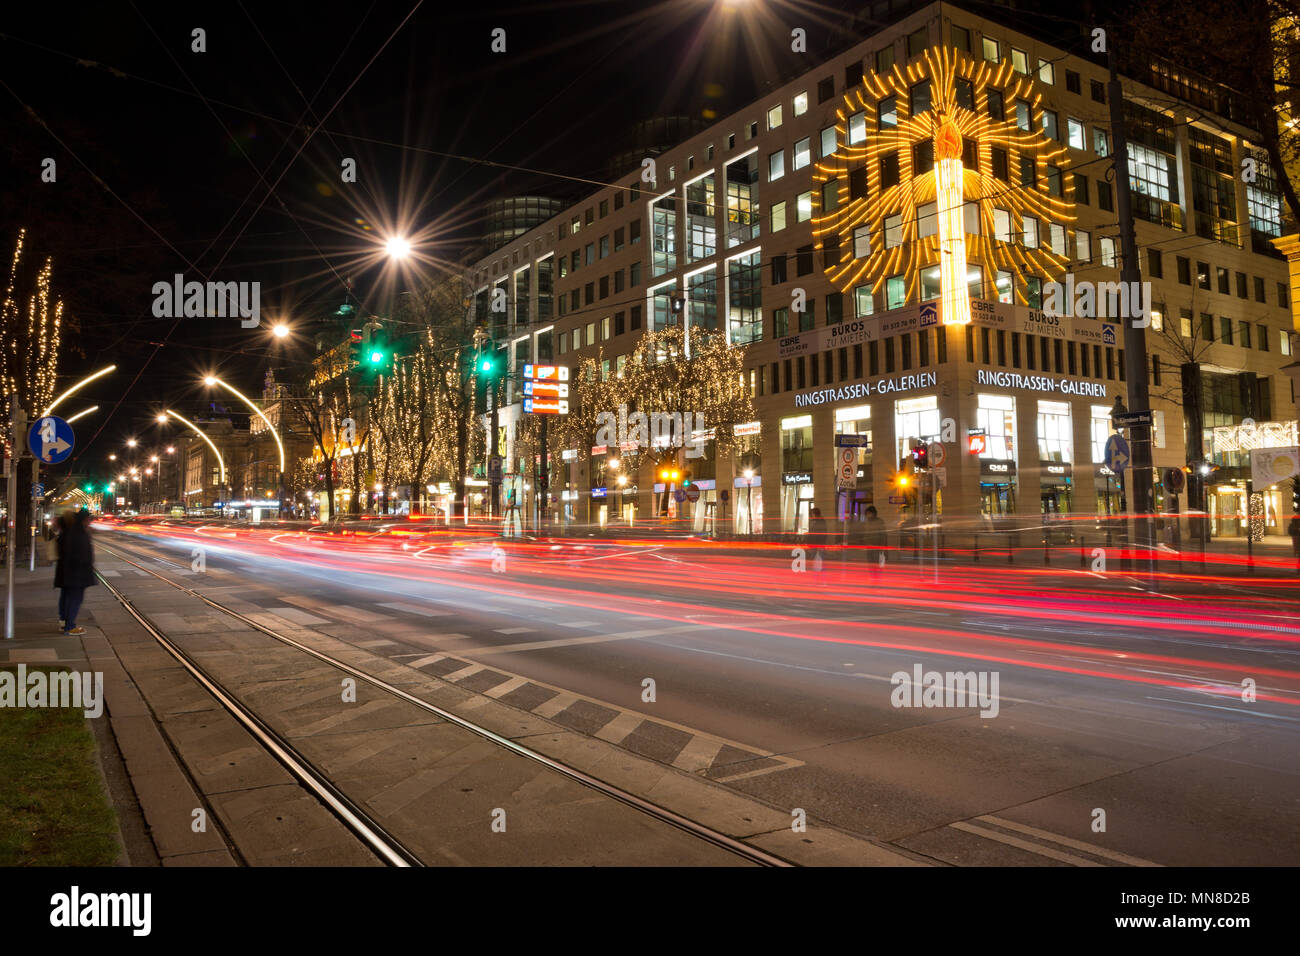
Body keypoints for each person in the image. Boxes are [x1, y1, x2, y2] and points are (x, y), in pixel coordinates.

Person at [55, 508, 96, 635]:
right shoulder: (78, 534)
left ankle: (64, 623)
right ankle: (70, 626)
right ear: (83, 520)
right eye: (88, 519)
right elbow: (82, 555)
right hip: (77, 573)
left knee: (67, 597)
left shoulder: (68, 532)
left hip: (68, 572)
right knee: (75, 598)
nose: (90, 522)